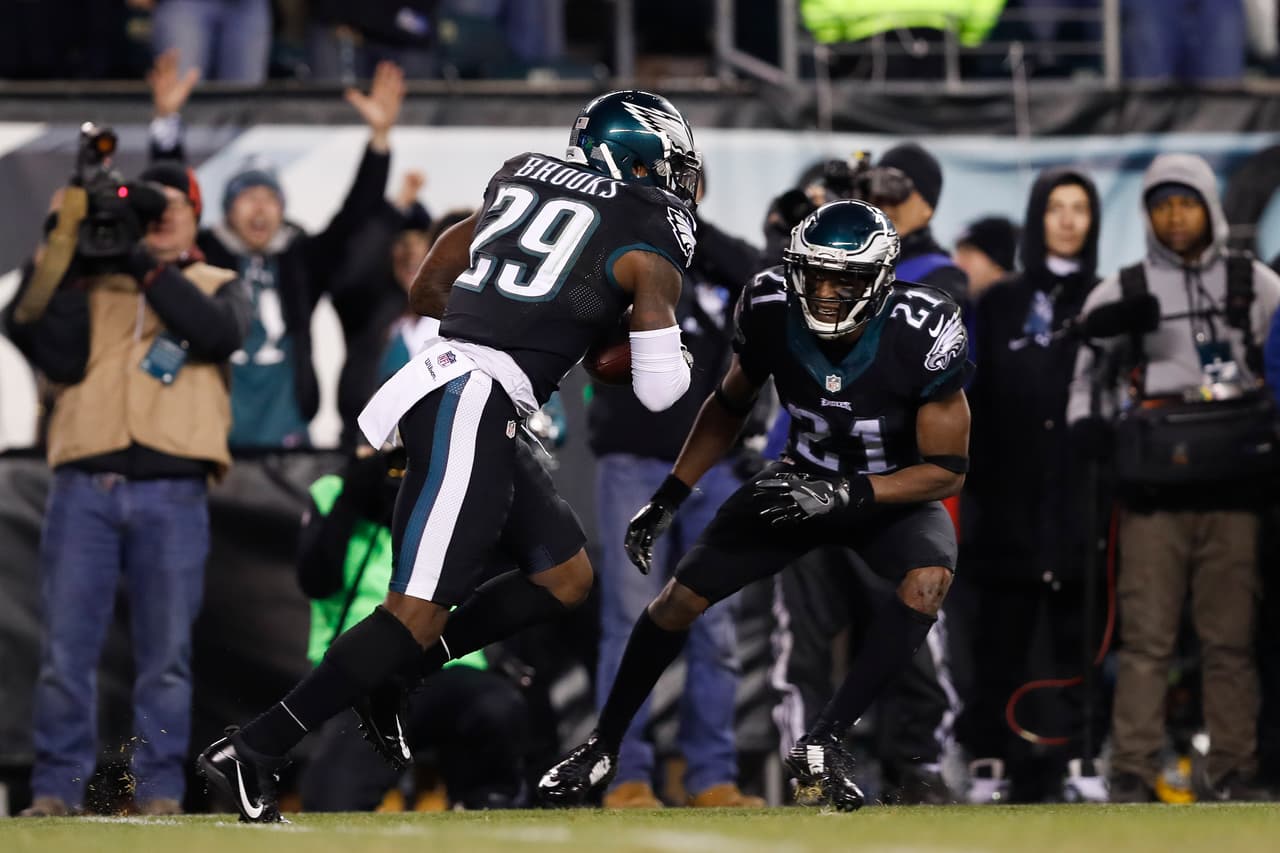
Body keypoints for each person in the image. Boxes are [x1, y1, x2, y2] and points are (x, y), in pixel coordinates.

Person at [196, 89, 703, 823]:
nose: (674, 179)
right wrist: (639, 336)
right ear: (634, 159)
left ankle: (399, 675)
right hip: (472, 400)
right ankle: (253, 746)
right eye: (667, 164)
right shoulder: (648, 230)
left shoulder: (524, 174)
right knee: (414, 611)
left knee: (564, 578)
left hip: (462, 389)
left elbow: (429, 286)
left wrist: (544, 316)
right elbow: (660, 390)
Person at [540, 198, 972, 812]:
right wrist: (671, 494)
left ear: (878, 281)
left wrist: (850, 493)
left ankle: (823, 742)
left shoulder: (923, 327)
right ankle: (602, 745)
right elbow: (727, 405)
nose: (824, 293)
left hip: (887, 490)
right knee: (678, 600)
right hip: (800, 479)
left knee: (928, 579)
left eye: (843, 280)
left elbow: (947, 470)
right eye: (814, 276)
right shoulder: (770, 304)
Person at [6, 164, 250, 817]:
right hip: (83, 485)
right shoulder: (88, 281)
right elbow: (39, 339)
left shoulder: (217, 282)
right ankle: (56, 791)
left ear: (196, 217)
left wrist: (144, 264)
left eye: (175, 205)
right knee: (65, 652)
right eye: (150, 206)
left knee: (165, 656)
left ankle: (159, 790)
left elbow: (218, 335)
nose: (162, 214)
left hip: (173, 490)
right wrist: (61, 240)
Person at [1067, 153, 1280, 803]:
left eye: (1186, 202)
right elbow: (1086, 378)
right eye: (1161, 204)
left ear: (1209, 206)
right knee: (1147, 639)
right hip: (1152, 493)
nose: (1175, 216)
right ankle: (1132, 770)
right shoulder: (1123, 290)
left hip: (1237, 488)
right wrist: (1087, 425)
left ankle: (1234, 769)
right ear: (1147, 214)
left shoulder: (1257, 283)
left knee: (1230, 639)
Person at [586, 177, 763, 809]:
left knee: (716, 626)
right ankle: (622, 771)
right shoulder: (613, 250)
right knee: (628, 622)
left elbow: (761, 279)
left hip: (712, 465)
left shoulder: (716, 256)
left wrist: (687, 227)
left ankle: (710, 776)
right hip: (633, 459)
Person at [146, 51, 405, 448]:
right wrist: (167, 125)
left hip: (289, 436)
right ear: (227, 209)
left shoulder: (300, 261)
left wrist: (379, 141)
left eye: (269, 197)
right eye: (247, 196)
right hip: (214, 434)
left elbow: (353, 218)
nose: (260, 207)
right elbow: (173, 203)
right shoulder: (207, 253)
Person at [959, 167, 1103, 803]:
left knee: (1080, 636)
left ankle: (1081, 758)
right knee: (999, 636)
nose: (1068, 220)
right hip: (1005, 496)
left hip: (1080, 497)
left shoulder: (1105, 297)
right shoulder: (1000, 302)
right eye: (1056, 207)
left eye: (1080, 208)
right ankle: (989, 759)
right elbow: (973, 397)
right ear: (1037, 216)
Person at [295, 450, 529, 811]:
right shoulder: (331, 490)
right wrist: (352, 498)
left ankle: (484, 804)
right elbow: (316, 581)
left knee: (498, 707)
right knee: (331, 802)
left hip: (448, 662)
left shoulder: (454, 491)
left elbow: (496, 578)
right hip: (361, 671)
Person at [954, 216, 1019, 303]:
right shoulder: (964, 306)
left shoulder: (1023, 308)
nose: (956, 263)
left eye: (967, 256)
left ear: (997, 262)